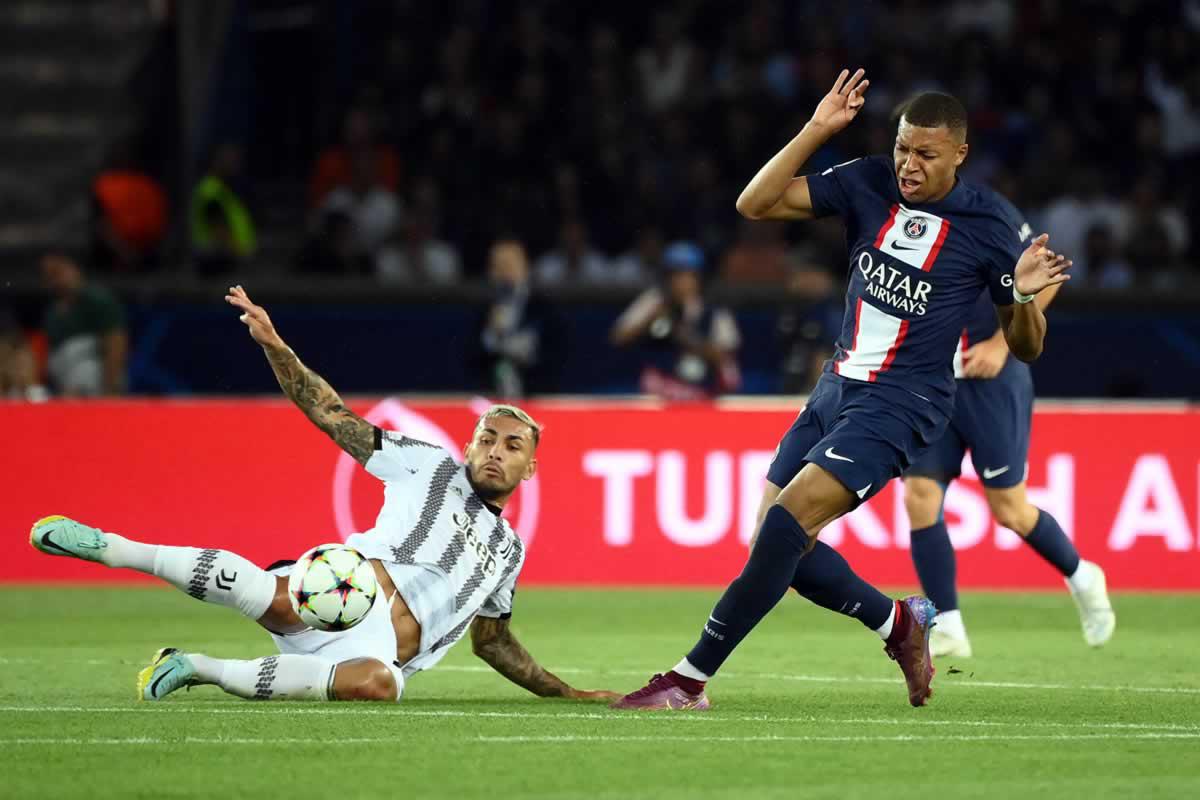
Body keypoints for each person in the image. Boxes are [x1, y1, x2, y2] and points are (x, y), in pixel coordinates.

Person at [613, 71, 1071, 711]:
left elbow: (1026, 346)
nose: (909, 165)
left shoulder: (990, 225)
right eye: (904, 149)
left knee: (784, 527)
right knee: (775, 547)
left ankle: (687, 680)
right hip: (836, 386)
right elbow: (755, 205)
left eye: (926, 155)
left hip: (904, 402)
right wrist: (818, 129)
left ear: (960, 154)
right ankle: (900, 624)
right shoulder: (868, 181)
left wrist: (1020, 295)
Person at [29, 285, 617, 705]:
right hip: (342, 588)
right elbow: (330, 413)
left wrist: (569, 692)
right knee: (275, 596)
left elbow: (495, 642)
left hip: (377, 654)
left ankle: (198, 668)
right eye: (486, 438)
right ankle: (110, 546)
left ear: (529, 467)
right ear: (467, 446)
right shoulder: (427, 465)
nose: (495, 450)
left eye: (511, 445)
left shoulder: (508, 552)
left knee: (381, 686)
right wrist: (274, 345)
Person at [903, 291, 1115, 658]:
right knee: (919, 494)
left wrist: (1001, 343)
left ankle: (1082, 575)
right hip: (931, 380)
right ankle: (948, 626)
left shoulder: (1000, 230)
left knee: (1010, 511)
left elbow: (1046, 275)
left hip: (991, 382)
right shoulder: (910, 232)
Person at [610, 241, 740, 400]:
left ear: (698, 277)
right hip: (660, 390)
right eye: (675, 274)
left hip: (702, 388)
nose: (680, 282)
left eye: (687, 275)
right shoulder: (655, 300)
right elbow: (618, 337)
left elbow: (725, 357)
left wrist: (683, 335)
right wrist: (651, 318)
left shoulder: (714, 308)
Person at [475, 239, 564, 398]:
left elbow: (556, 356)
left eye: (510, 265)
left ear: (525, 268)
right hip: (492, 397)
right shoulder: (483, 310)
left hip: (537, 394)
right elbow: (471, 358)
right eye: (498, 267)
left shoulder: (543, 308)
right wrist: (491, 335)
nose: (505, 273)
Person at [41, 253, 128, 397]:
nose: (54, 280)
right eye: (48, 275)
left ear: (74, 269)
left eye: (57, 272)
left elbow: (115, 343)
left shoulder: (96, 301)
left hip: (94, 379)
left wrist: (110, 389)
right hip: (64, 381)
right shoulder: (51, 313)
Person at [191, 143, 257, 274]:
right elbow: (218, 228)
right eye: (230, 160)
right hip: (216, 261)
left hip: (221, 259)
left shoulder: (221, 189)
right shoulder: (211, 191)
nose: (235, 165)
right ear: (216, 161)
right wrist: (238, 251)